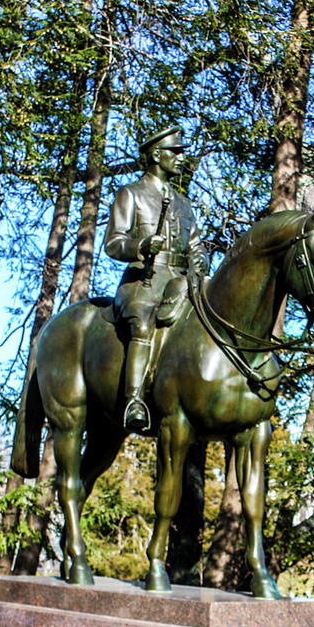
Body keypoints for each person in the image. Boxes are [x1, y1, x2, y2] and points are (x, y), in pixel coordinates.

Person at [104, 125, 208, 432]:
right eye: (174, 151)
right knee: (145, 321)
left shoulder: (184, 203)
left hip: (179, 281)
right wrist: (141, 246)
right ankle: (134, 400)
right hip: (143, 282)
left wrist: (200, 260)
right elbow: (112, 242)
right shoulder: (130, 194)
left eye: (180, 151)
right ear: (154, 155)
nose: (180, 157)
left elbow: (195, 245)